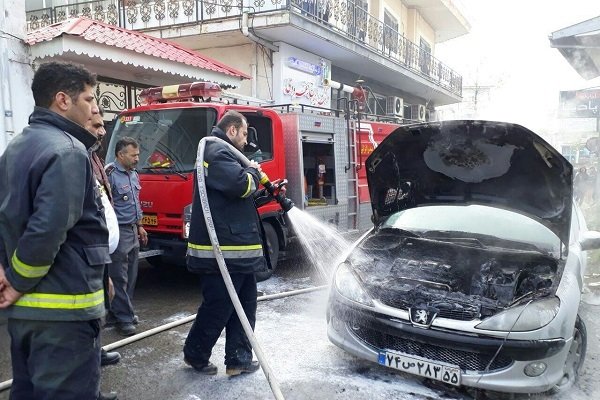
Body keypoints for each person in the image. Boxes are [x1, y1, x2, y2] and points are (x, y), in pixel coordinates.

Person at [0, 61, 116, 400]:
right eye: (89, 99)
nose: (94, 108)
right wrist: (17, 282)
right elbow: (48, 229)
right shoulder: (67, 151)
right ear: (62, 100)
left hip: (27, 317)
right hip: (64, 315)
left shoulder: (16, 148)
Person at [183, 110, 272, 376]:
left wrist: (265, 194)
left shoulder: (226, 156)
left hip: (237, 252)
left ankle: (238, 360)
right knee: (219, 305)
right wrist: (254, 171)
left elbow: (235, 201)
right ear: (231, 130)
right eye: (244, 134)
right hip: (221, 252)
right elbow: (240, 185)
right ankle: (195, 354)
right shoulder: (215, 153)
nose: (246, 141)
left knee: (245, 305)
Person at [86, 108, 122, 367]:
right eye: (97, 126)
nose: (102, 131)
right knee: (88, 310)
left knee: (100, 305)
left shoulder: (94, 157)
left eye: (102, 126)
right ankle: (89, 357)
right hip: (87, 253)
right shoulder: (76, 157)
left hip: (100, 251)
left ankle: (95, 351)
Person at [104, 137, 147, 336]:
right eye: (133, 155)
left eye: (138, 154)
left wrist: (140, 226)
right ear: (121, 155)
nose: (137, 158)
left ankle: (122, 310)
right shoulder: (109, 174)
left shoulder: (133, 174)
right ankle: (124, 318)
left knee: (131, 276)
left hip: (132, 230)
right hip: (118, 232)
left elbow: (136, 202)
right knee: (118, 276)